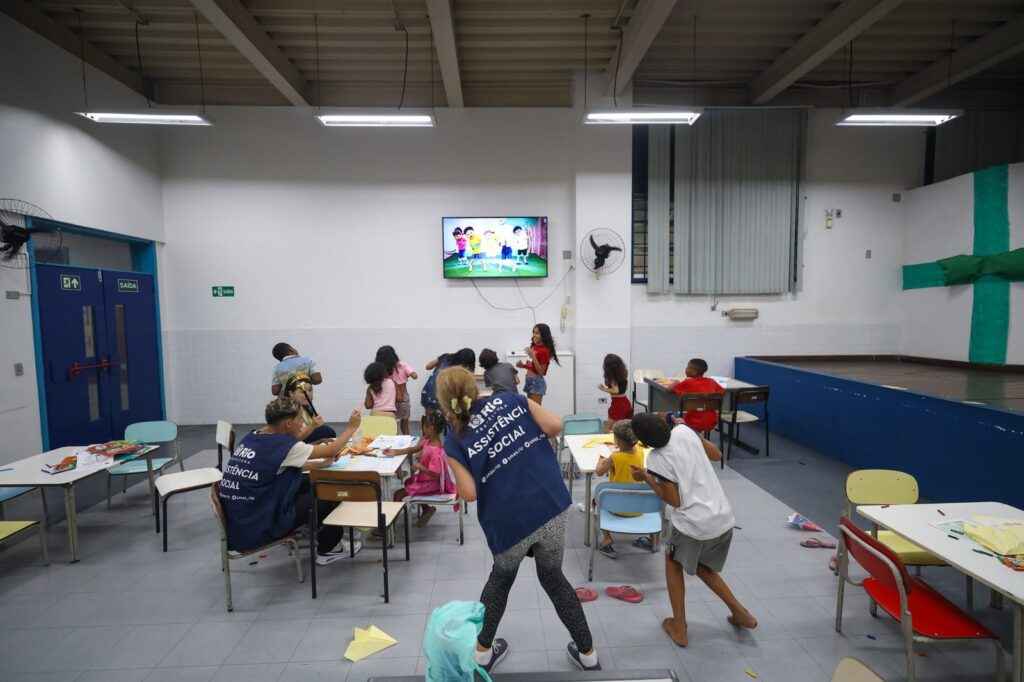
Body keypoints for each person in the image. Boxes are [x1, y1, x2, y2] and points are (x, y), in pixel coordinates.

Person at [438, 366, 601, 672]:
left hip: (507, 519)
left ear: (446, 404)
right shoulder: (512, 400)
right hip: (548, 503)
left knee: (500, 580)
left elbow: (469, 493)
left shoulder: (454, 440)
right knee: (553, 577)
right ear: (475, 389)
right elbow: (554, 425)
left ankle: (482, 655)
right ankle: (588, 654)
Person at [629, 413, 757, 647]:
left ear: (644, 443)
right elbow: (716, 454)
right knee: (701, 566)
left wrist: (647, 477)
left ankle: (680, 628)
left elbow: (674, 500)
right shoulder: (684, 432)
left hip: (694, 523)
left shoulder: (656, 458)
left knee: (673, 562)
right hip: (722, 515)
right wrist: (687, 429)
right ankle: (741, 613)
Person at [218, 397, 361, 565]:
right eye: (300, 419)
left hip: (242, 516)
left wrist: (321, 463)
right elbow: (332, 450)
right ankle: (328, 549)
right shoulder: (284, 445)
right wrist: (352, 427)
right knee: (329, 491)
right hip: (260, 521)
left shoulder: (254, 436)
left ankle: (319, 526)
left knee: (313, 480)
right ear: (288, 423)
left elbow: (277, 465)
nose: (303, 423)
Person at [383, 411, 456, 527]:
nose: (422, 430)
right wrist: (395, 452)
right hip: (426, 480)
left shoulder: (435, 450)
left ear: (430, 429)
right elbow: (412, 450)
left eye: (423, 428)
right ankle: (426, 509)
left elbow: (436, 474)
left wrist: (419, 466)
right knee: (408, 482)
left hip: (432, 484)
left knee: (398, 494)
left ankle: (389, 529)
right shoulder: (428, 441)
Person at [593, 420, 649, 558]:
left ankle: (607, 537)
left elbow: (599, 472)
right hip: (639, 508)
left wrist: (600, 462)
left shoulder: (615, 457)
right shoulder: (641, 452)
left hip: (617, 507)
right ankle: (653, 540)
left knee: (595, 501)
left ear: (617, 441)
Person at [663, 359, 724, 435]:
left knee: (661, 414)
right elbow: (721, 392)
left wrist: (677, 382)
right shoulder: (711, 381)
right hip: (711, 421)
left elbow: (668, 390)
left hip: (690, 422)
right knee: (699, 412)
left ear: (694, 372)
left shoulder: (688, 382)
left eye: (688, 367)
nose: (685, 369)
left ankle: (670, 438)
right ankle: (696, 436)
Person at [376, 345, 418, 435]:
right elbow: (414, 375)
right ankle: (408, 445)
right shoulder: (402, 364)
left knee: (391, 426)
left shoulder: (382, 369)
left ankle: (392, 444)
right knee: (405, 428)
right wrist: (411, 374)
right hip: (403, 398)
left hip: (390, 400)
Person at [421, 348, 477, 416]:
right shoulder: (459, 370)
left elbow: (428, 366)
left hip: (427, 392)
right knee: (447, 419)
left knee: (430, 420)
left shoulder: (445, 356)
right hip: (440, 397)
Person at [284, 375, 336, 444]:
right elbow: (292, 441)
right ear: (291, 393)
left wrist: (319, 441)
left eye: (310, 390)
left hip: (305, 448)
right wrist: (313, 426)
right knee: (325, 431)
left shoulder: (306, 408)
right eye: (302, 391)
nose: (308, 394)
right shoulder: (288, 412)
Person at [515, 323, 559, 405]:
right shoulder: (534, 347)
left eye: (537, 333)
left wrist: (532, 356)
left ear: (544, 335)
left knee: (535, 412)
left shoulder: (544, 351)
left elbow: (541, 372)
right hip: (529, 381)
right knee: (531, 410)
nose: (534, 335)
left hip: (536, 382)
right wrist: (523, 366)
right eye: (533, 332)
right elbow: (533, 366)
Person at [596, 353, 632, 431]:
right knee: (624, 429)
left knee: (608, 429)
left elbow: (616, 390)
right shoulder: (624, 373)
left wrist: (603, 388)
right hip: (625, 402)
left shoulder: (612, 377)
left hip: (618, 405)